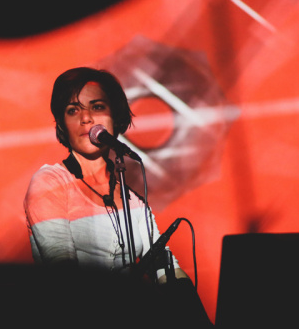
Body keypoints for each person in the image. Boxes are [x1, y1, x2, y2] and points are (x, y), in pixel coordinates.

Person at [24, 66, 189, 282]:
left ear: (115, 117)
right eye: (73, 110)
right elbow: (63, 272)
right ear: (62, 125)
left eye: (97, 107)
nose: (86, 118)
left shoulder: (132, 200)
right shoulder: (50, 182)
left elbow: (166, 269)